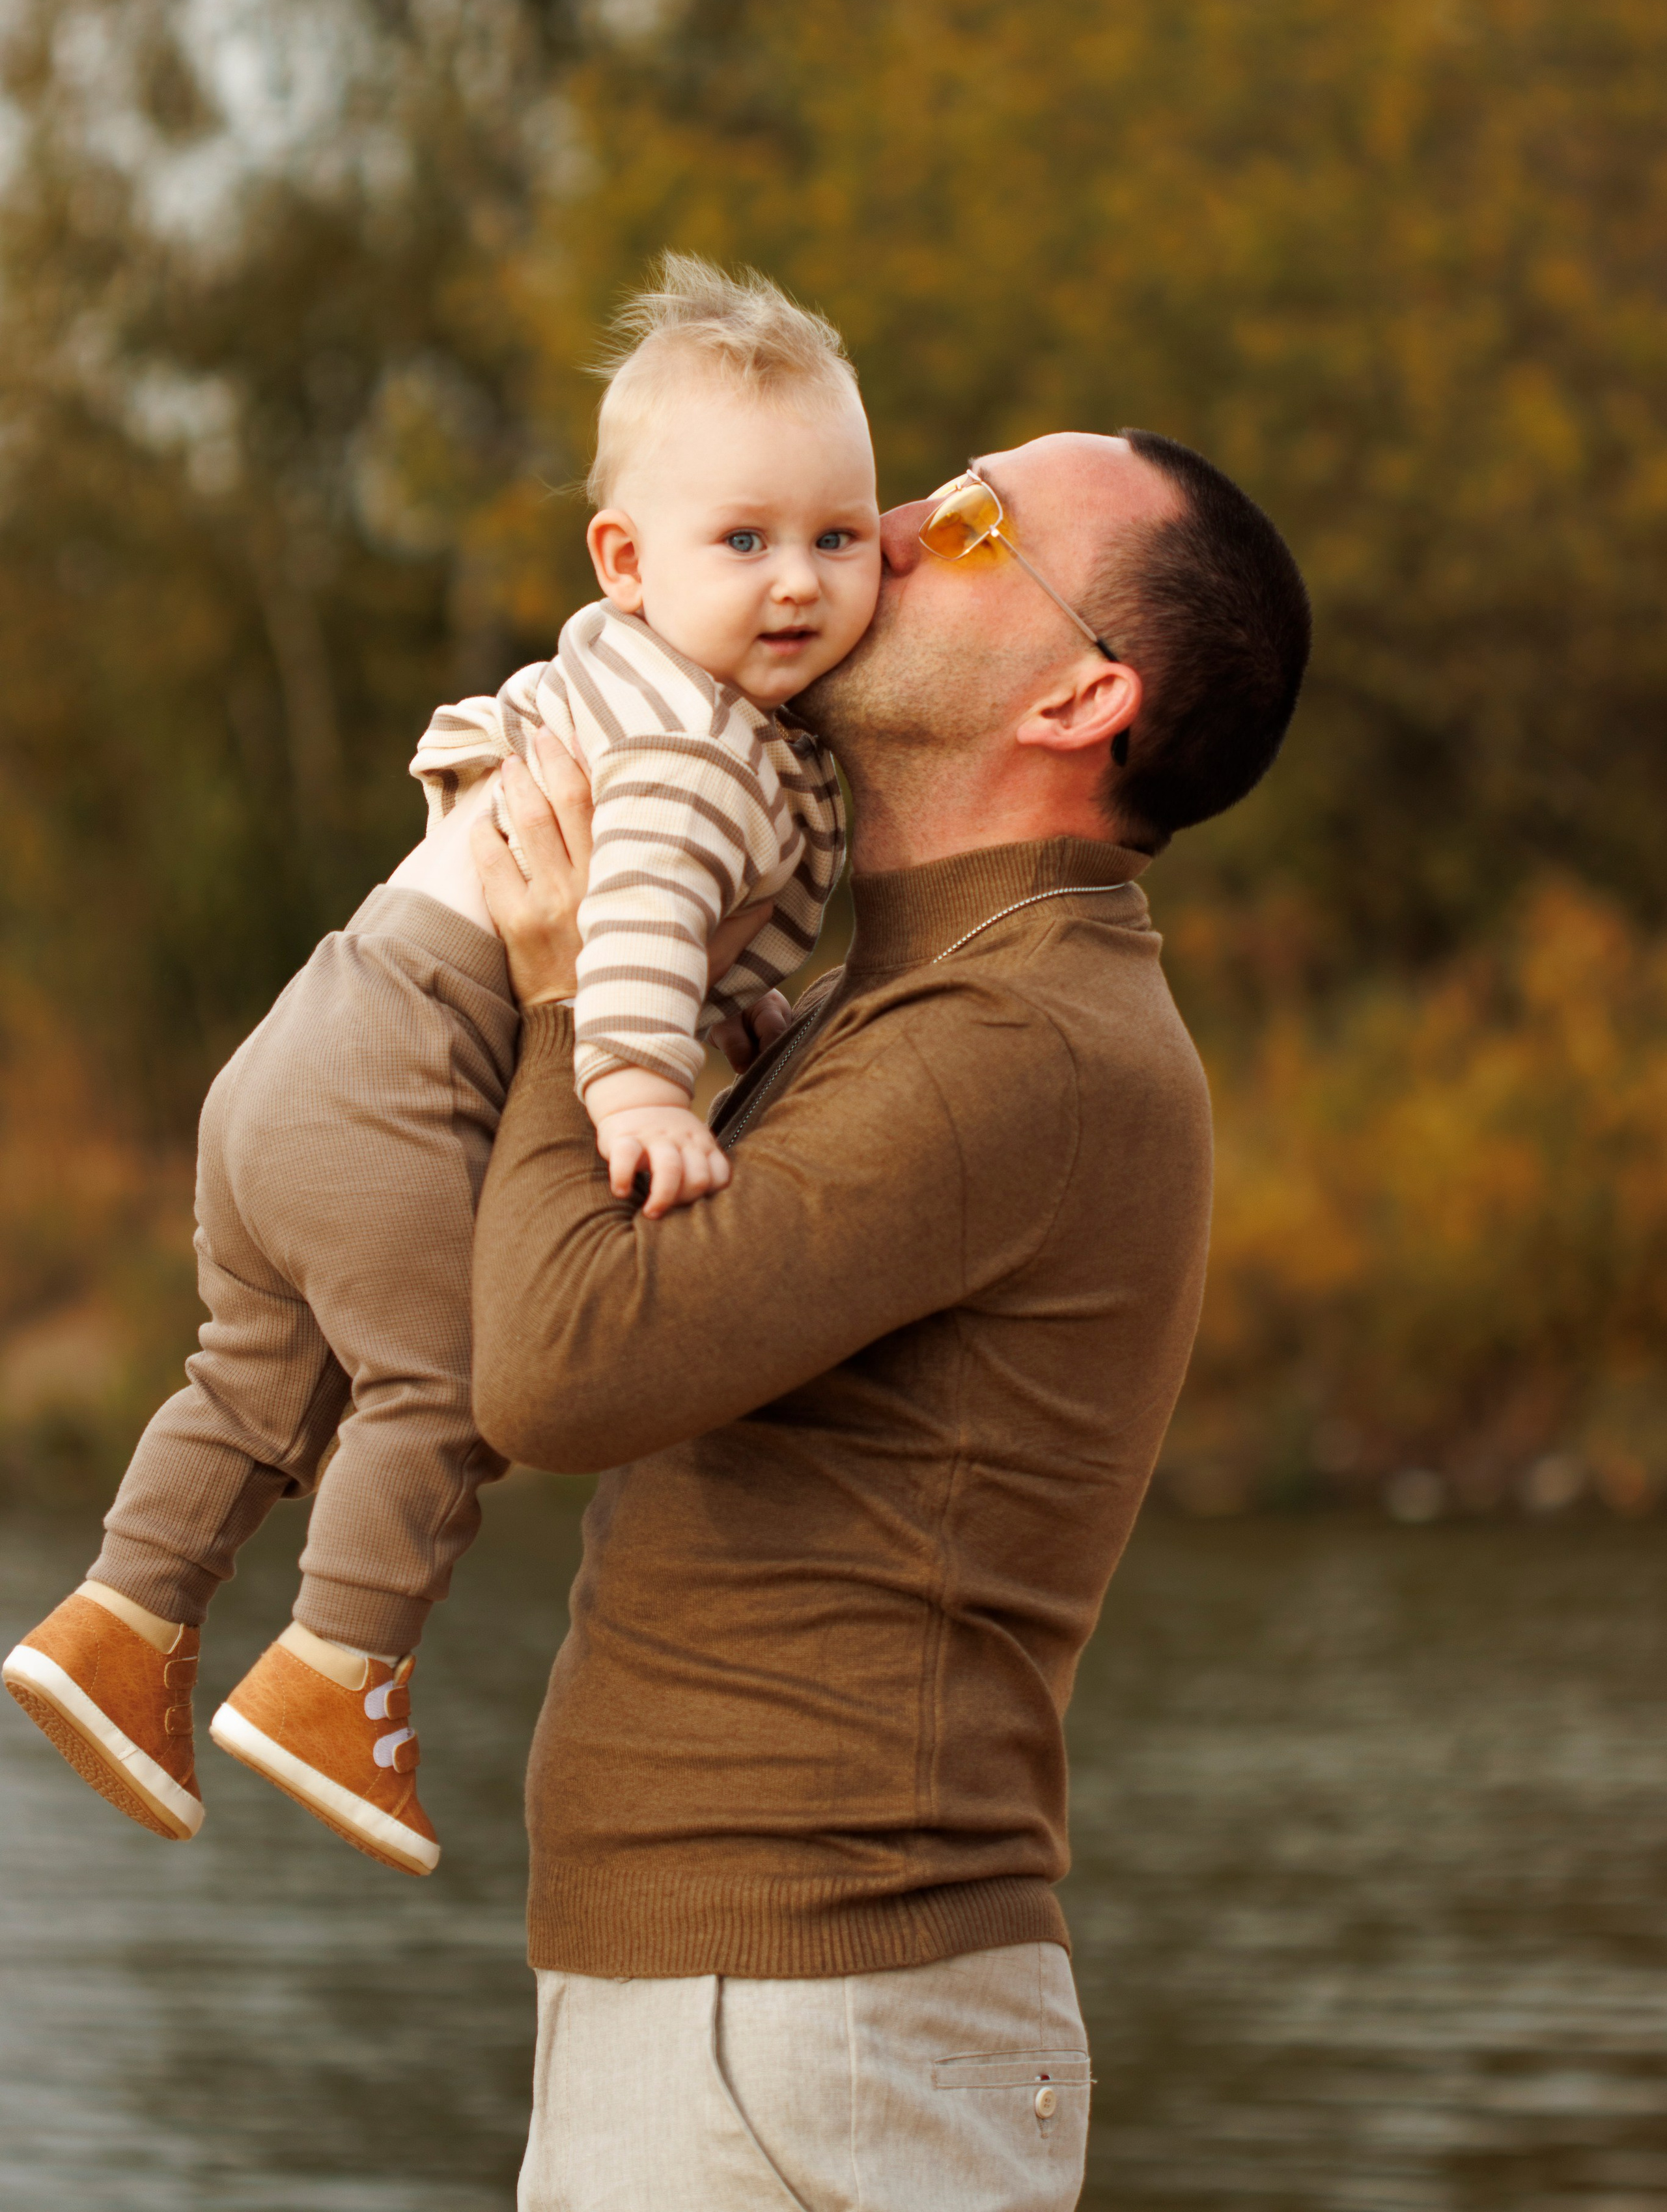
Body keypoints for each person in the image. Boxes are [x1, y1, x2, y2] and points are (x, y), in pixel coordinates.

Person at [467, 425, 1311, 2211]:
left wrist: (567, 1001)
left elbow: (560, 1365)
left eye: (977, 520)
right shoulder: (903, 995)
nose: (893, 530)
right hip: (761, 2018)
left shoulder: (1012, 1040)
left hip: (802, 2023)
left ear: (1084, 699)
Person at [2, 257, 880, 1877]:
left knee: (255, 1382)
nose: (799, 584)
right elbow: (630, 924)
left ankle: (119, 1624)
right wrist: (628, 1090)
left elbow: (695, 946)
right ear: (626, 559)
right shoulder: (699, 748)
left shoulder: (611, 676)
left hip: (293, 1060)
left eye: (840, 539)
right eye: (744, 541)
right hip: (400, 1075)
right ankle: (340, 1672)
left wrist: (749, 1027)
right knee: (446, 1383)